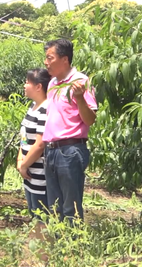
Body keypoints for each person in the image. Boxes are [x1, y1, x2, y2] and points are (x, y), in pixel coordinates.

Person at [42, 39, 98, 223]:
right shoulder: (52, 84)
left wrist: (80, 98)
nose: (46, 62)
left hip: (70, 151)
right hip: (51, 150)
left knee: (70, 207)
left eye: (50, 58)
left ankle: (73, 249)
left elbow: (90, 119)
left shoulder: (80, 82)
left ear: (64, 59)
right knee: (54, 207)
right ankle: (60, 248)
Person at [16, 68, 51, 218]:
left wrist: (24, 165)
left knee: (41, 217)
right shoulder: (33, 107)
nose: (24, 85)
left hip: (38, 173)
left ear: (38, 87)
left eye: (27, 82)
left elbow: (40, 143)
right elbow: (24, 138)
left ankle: (43, 242)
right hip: (29, 172)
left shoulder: (45, 109)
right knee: (34, 214)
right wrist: (19, 160)